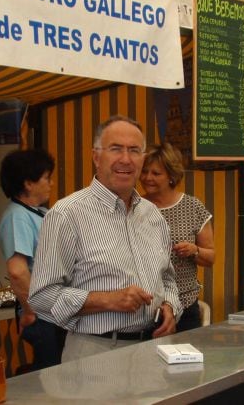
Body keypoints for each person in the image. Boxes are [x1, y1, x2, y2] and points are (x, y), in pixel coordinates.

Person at [29, 116, 179, 361]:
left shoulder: (153, 215)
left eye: (134, 150)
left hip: (152, 352)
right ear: (96, 157)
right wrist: (107, 300)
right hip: (95, 353)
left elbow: (168, 279)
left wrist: (170, 307)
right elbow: (41, 297)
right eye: (115, 149)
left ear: (142, 159)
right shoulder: (66, 214)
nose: (126, 159)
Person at [0, 148, 65, 371]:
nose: (51, 183)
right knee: (52, 375)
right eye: (46, 178)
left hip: (55, 310)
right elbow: (17, 271)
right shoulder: (17, 216)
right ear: (28, 183)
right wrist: (30, 311)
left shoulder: (39, 213)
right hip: (43, 313)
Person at [140, 143, 214, 332]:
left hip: (185, 304)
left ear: (172, 176)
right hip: (146, 307)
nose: (148, 178)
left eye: (156, 174)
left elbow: (210, 257)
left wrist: (194, 250)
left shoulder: (192, 207)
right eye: (145, 172)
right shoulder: (134, 206)